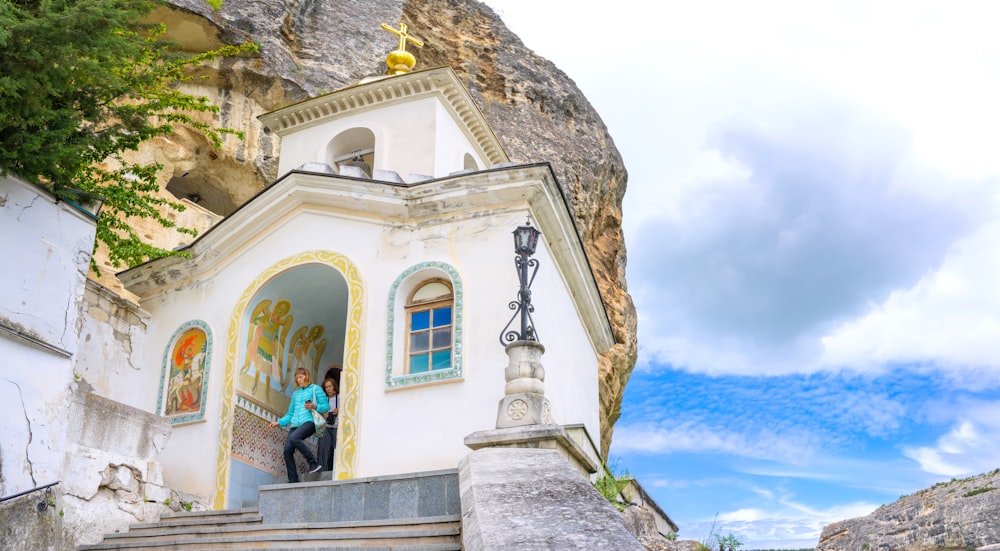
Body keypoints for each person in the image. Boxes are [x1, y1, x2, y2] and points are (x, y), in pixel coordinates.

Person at [269, 367, 328, 482]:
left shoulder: (316, 389)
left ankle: (313, 463)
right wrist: (279, 422)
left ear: (307, 376)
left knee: (295, 437)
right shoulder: (296, 394)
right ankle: (293, 479)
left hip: (310, 421)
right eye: (297, 378)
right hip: (295, 425)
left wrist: (314, 406)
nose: (299, 380)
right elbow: (290, 413)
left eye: (301, 377)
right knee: (287, 450)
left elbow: (325, 406)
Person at [316, 377, 339, 471]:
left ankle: (335, 470)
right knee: (323, 449)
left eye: (330, 386)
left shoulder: (340, 397)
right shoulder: (323, 400)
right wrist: (323, 414)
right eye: (326, 387)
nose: (328, 389)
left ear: (334, 386)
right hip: (326, 427)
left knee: (335, 449)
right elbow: (316, 412)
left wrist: (339, 411)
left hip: (337, 427)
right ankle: (322, 470)